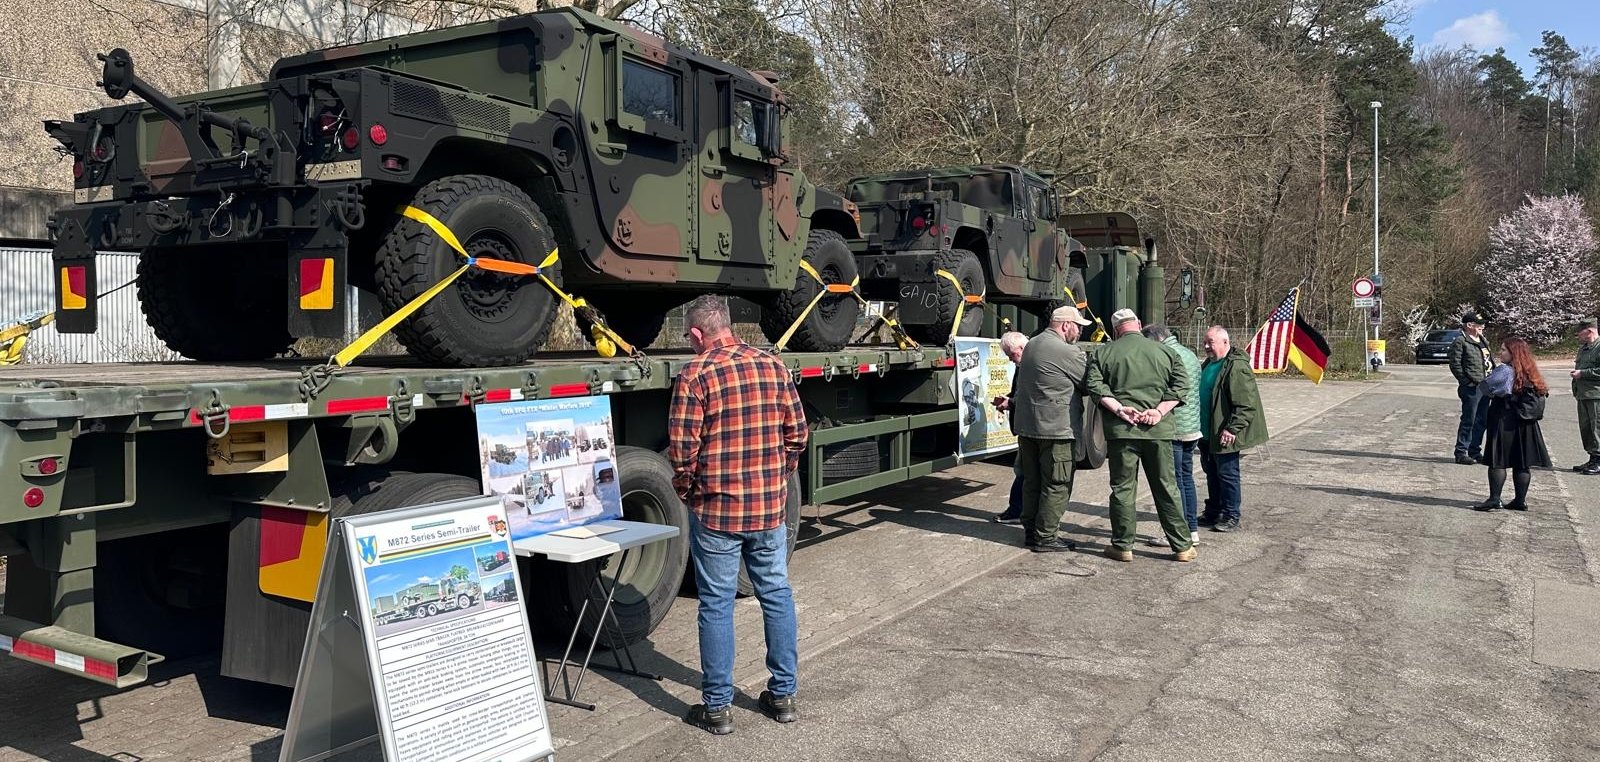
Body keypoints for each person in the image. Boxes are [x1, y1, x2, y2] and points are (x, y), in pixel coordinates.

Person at [668, 295, 807, 734]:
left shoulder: (695, 373)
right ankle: (783, 696)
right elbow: (798, 435)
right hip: (768, 509)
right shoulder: (773, 366)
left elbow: (683, 453)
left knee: (716, 604)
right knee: (776, 593)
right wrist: (776, 478)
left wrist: (690, 492)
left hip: (717, 511)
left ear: (696, 334)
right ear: (729, 326)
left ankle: (716, 708)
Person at [1084, 308, 1196, 562]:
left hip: (1122, 432)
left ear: (1115, 330)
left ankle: (1123, 546)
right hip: (1158, 430)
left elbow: (1095, 386)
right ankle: (1182, 546)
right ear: (1139, 324)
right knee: (1167, 487)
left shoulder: (1103, 353)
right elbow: (1182, 386)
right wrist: (1158, 411)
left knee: (1123, 488)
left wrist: (1120, 409)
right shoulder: (1166, 352)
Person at [1011, 307, 1092, 551]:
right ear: (1065, 325)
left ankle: (1030, 532)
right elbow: (1088, 384)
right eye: (1078, 326)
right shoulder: (1067, 351)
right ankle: (1046, 537)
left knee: (1032, 482)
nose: (1079, 331)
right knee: (1057, 483)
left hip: (1027, 427)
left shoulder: (1032, 343)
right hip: (1056, 429)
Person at [1196, 326, 1267, 532]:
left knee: (1227, 474)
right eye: (1205, 342)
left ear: (1225, 342)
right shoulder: (1209, 363)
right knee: (1211, 472)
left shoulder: (1236, 367)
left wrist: (1232, 429)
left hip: (1224, 431)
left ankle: (1231, 515)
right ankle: (1214, 511)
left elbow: (1246, 403)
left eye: (1211, 342)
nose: (1207, 346)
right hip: (1207, 431)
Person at [1141, 324, 1203, 547]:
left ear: (1155, 339)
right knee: (1186, 479)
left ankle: (1178, 534)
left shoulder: (1166, 355)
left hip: (1174, 427)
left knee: (1172, 483)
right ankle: (1192, 530)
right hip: (1192, 426)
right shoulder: (1189, 354)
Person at [1474, 337, 1552, 510]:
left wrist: (1494, 394)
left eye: (1503, 350)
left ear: (1513, 353)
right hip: (1526, 421)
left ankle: (1495, 498)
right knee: (1521, 462)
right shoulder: (1530, 372)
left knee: (1498, 460)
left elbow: (1484, 386)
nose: (1500, 353)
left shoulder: (1504, 371)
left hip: (1505, 418)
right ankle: (1520, 500)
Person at [991, 331, 1030, 524]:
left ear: (1021, 349)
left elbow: (1031, 396)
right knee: (1023, 470)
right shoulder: (1024, 364)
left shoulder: (1029, 365)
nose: (1009, 358)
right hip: (1026, 426)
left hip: (1029, 427)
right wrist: (1009, 398)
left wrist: (1011, 403)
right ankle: (1019, 510)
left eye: (1011, 354)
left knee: (1022, 470)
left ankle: (1018, 510)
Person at [1448, 312, 1493, 465]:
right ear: (1469, 325)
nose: (1482, 326)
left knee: (1482, 420)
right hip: (1472, 387)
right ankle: (1461, 452)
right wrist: (1466, 381)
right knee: (1469, 419)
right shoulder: (1461, 341)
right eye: (1479, 324)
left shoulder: (1483, 340)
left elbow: (1488, 361)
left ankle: (1475, 450)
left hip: (1486, 386)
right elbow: (1455, 364)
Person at [1572, 318, 1600, 475]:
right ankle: (1592, 457)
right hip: (1583, 394)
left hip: (1596, 395)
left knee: (1597, 428)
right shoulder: (1584, 349)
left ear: (1589, 331)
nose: (1578, 336)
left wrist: (1583, 373)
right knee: (1586, 428)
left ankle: (1598, 459)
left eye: (1580, 333)